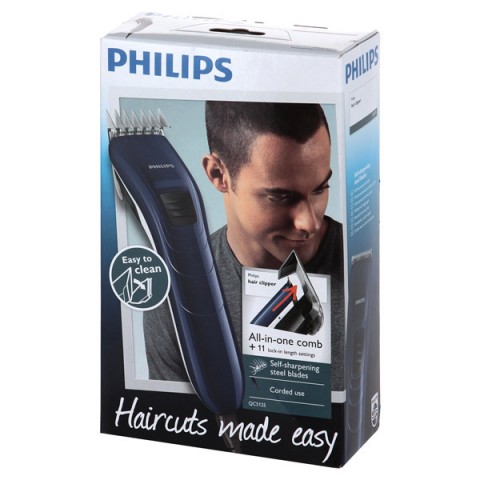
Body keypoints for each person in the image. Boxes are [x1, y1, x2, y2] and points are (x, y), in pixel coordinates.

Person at [143, 102, 345, 391]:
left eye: (319, 188)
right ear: (218, 174)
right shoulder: (174, 296)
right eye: (280, 197)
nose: (309, 223)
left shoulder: (367, 271)